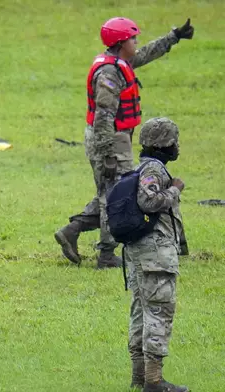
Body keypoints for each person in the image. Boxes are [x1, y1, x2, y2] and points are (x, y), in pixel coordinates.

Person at [55, 17, 194, 269]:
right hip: (110, 139)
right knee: (114, 196)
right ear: (120, 43)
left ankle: (72, 230)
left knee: (115, 192)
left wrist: (173, 37)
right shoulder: (108, 73)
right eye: (133, 38)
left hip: (117, 138)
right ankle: (106, 254)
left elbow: (145, 54)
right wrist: (108, 153)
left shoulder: (120, 63)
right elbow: (103, 116)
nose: (136, 42)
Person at [124, 118, 187, 392]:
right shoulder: (153, 170)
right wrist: (174, 190)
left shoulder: (142, 168)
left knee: (141, 312)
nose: (177, 146)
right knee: (158, 312)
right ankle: (154, 381)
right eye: (174, 141)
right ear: (164, 144)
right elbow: (148, 202)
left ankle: (140, 377)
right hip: (155, 255)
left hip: (140, 254)